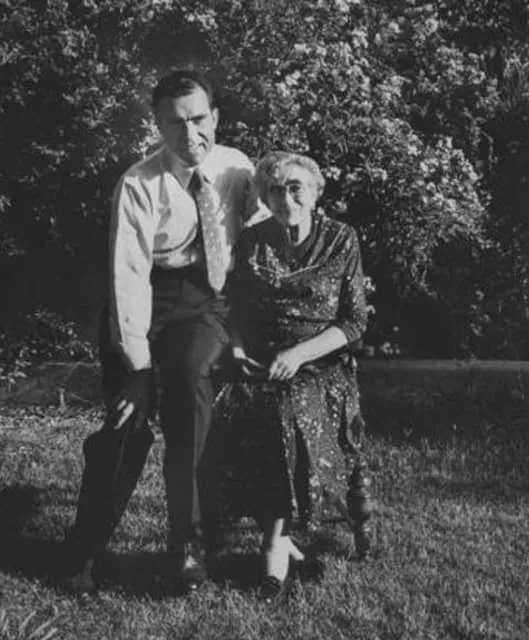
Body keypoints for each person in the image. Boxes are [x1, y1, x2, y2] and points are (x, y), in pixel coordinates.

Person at [59, 69, 265, 594]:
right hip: (144, 301)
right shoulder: (138, 184)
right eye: (176, 124)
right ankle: (84, 554)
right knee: (125, 424)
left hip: (204, 301)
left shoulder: (238, 167)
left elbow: (265, 237)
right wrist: (137, 370)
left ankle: (186, 546)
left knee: (190, 389)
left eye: (198, 119)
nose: (190, 134)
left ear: (215, 117)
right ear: (157, 126)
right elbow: (127, 277)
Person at [214, 151, 370, 604]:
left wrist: (299, 355)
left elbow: (354, 322)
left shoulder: (341, 238)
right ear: (265, 197)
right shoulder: (253, 241)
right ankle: (278, 539)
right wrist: (237, 347)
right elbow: (236, 308)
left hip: (321, 363)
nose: (287, 198)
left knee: (280, 407)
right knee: (227, 401)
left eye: (296, 187)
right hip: (262, 359)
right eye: (276, 190)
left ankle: (273, 550)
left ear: (316, 192)